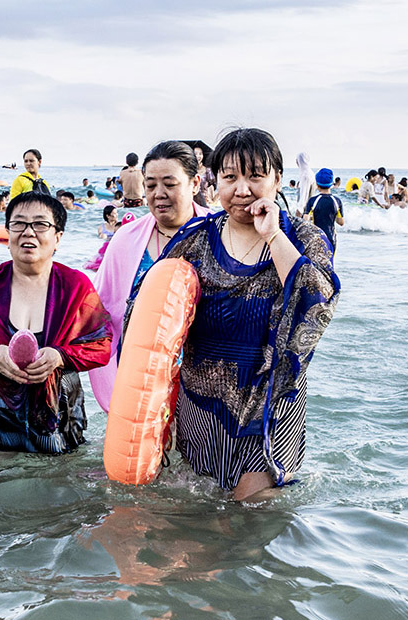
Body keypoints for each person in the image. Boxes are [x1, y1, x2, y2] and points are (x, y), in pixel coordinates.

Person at [134, 128, 339, 501]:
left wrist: (274, 235)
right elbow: (147, 311)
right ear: (214, 183)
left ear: (278, 179)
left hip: (271, 407)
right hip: (201, 405)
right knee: (193, 510)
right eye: (229, 177)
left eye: (255, 176)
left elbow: (318, 302)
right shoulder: (194, 239)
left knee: (247, 521)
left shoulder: (304, 238)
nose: (241, 189)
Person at [0, 192, 111, 454]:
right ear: (7, 234)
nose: (28, 232)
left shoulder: (75, 286)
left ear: (58, 237)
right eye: (19, 224)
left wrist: (59, 356)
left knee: (58, 492)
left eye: (40, 224)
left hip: (56, 420)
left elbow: (101, 346)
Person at [89, 141, 210, 410]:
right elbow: (101, 311)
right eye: (151, 185)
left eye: (170, 184)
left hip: (203, 384)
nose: (159, 194)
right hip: (140, 383)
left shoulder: (218, 234)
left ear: (195, 184)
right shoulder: (125, 240)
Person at [303, 168, 344, 250]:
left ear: (317, 185)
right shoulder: (337, 201)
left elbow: (305, 219)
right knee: (330, 261)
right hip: (331, 238)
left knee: (316, 261)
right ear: (331, 184)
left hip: (316, 237)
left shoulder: (313, 201)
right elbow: (341, 222)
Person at [294, 152, 317, 217]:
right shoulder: (309, 173)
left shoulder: (306, 175)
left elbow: (304, 196)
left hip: (305, 213)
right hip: (309, 211)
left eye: (297, 159)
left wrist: (299, 213)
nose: (296, 162)